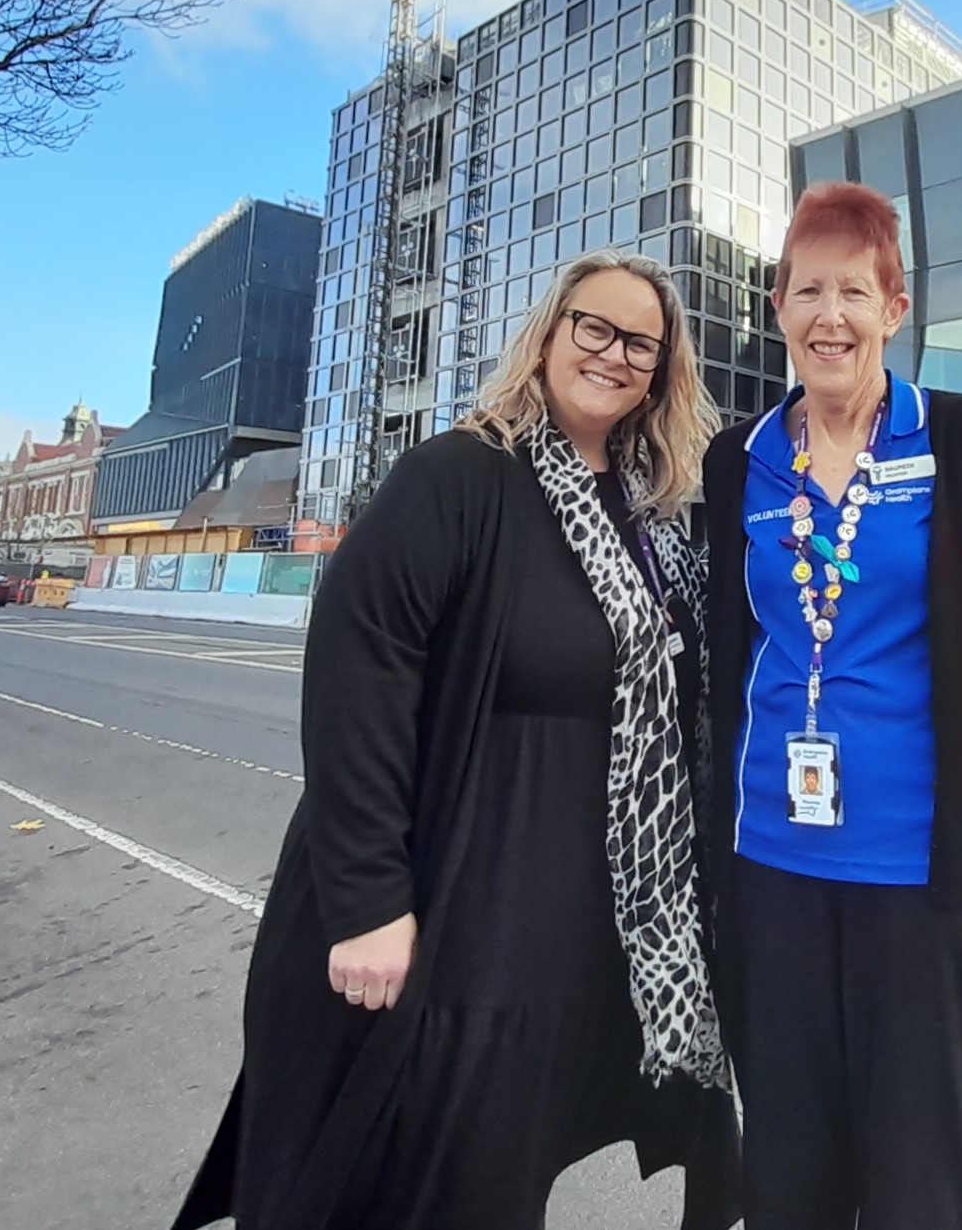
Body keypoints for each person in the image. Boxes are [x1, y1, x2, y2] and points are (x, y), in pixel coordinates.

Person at [172, 251, 739, 1230]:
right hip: (457, 916)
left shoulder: (653, 515)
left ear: (661, 370)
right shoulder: (459, 475)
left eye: (639, 343)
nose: (612, 354)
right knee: (421, 1178)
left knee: (507, 1174)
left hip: (586, 933)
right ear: (549, 335)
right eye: (593, 328)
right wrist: (366, 903)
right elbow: (359, 682)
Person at [699, 181, 962, 1230]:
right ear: (778, 309)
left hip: (921, 883)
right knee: (788, 1173)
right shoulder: (738, 461)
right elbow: (726, 642)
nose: (830, 316)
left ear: (894, 309)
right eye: (808, 291)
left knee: (916, 1184)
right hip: (769, 872)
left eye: (854, 292)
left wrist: (936, 755)